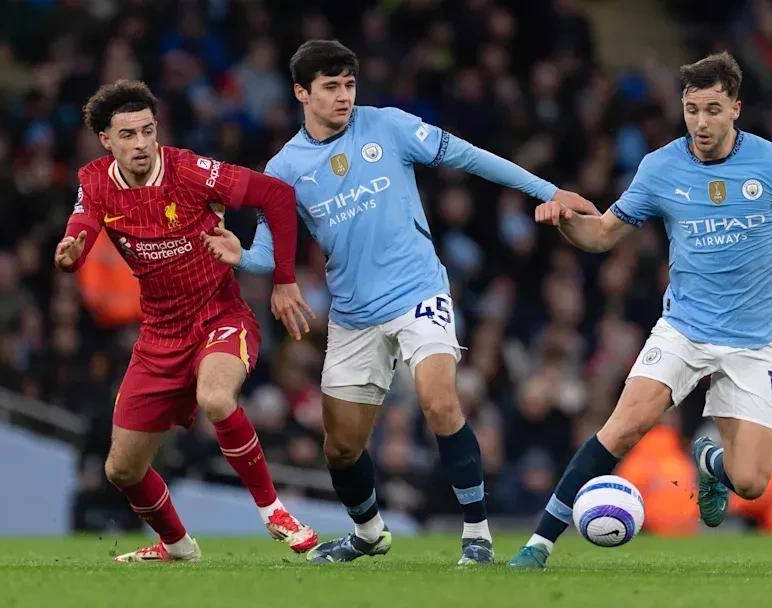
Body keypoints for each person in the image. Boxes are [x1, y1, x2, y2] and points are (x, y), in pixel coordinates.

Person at [200, 39, 595, 566]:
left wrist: (548, 190)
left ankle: (477, 534)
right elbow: (271, 254)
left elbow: (470, 157)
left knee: (440, 401)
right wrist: (242, 256)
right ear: (301, 93)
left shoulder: (387, 126)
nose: (344, 96)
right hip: (352, 316)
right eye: (330, 87)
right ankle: (368, 534)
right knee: (341, 447)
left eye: (349, 85)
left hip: (418, 292)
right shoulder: (284, 169)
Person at [508, 51, 772, 568]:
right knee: (622, 427)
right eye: (692, 110)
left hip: (756, 340)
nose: (701, 122)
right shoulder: (661, 167)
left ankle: (710, 462)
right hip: (684, 329)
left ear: (735, 108)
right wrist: (565, 221)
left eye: (712, 109)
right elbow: (602, 234)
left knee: (752, 482)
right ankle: (538, 544)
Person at [54, 79, 318, 563]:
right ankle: (177, 546)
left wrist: (283, 280)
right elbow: (82, 228)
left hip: (220, 316)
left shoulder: (190, 171)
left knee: (215, 397)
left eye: (147, 131)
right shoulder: (94, 180)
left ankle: (274, 512)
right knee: (121, 469)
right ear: (106, 140)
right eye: (128, 134)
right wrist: (70, 252)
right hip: (159, 335)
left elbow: (277, 195)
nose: (141, 143)